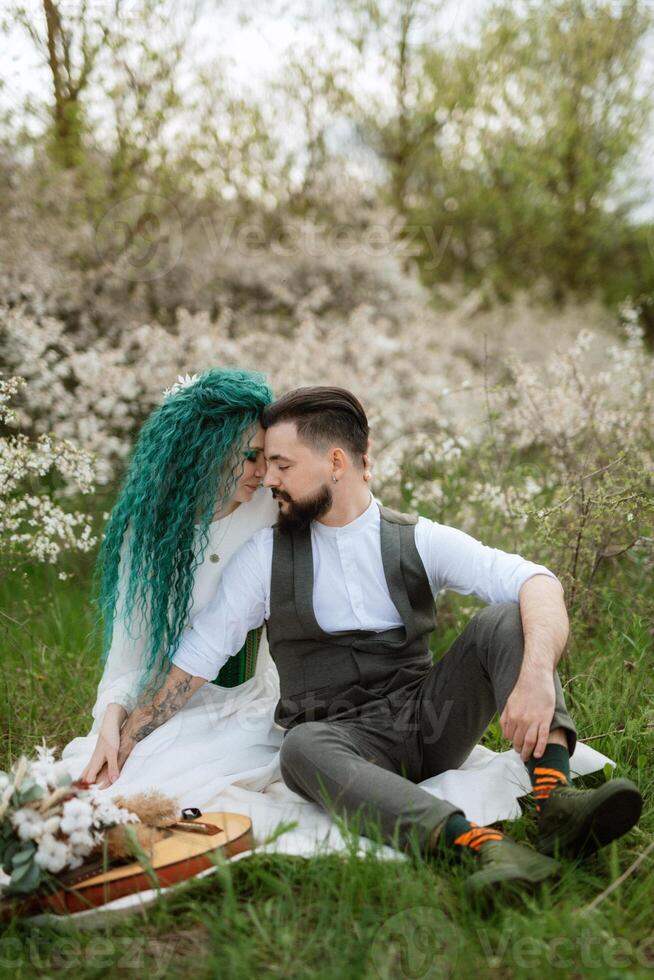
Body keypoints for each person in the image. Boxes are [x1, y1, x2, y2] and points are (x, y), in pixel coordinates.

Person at [100, 386, 643, 900]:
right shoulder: (264, 558)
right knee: (300, 748)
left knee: (506, 619)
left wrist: (534, 677)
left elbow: (538, 581)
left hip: (432, 724)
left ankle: (556, 801)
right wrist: (123, 739)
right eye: (266, 465)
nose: (268, 479)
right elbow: (195, 661)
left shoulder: (418, 539)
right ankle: (481, 847)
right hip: (340, 741)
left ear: (335, 463)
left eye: (283, 465)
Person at [61, 368, 284, 801]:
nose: (264, 472)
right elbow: (129, 655)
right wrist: (111, 721)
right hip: (164, 701)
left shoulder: (273, 508)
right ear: (206, 452)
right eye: (251, 455)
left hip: (249, 703)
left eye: (269, 457)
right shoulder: (149, 530)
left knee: (182, 784)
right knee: (106, 784)